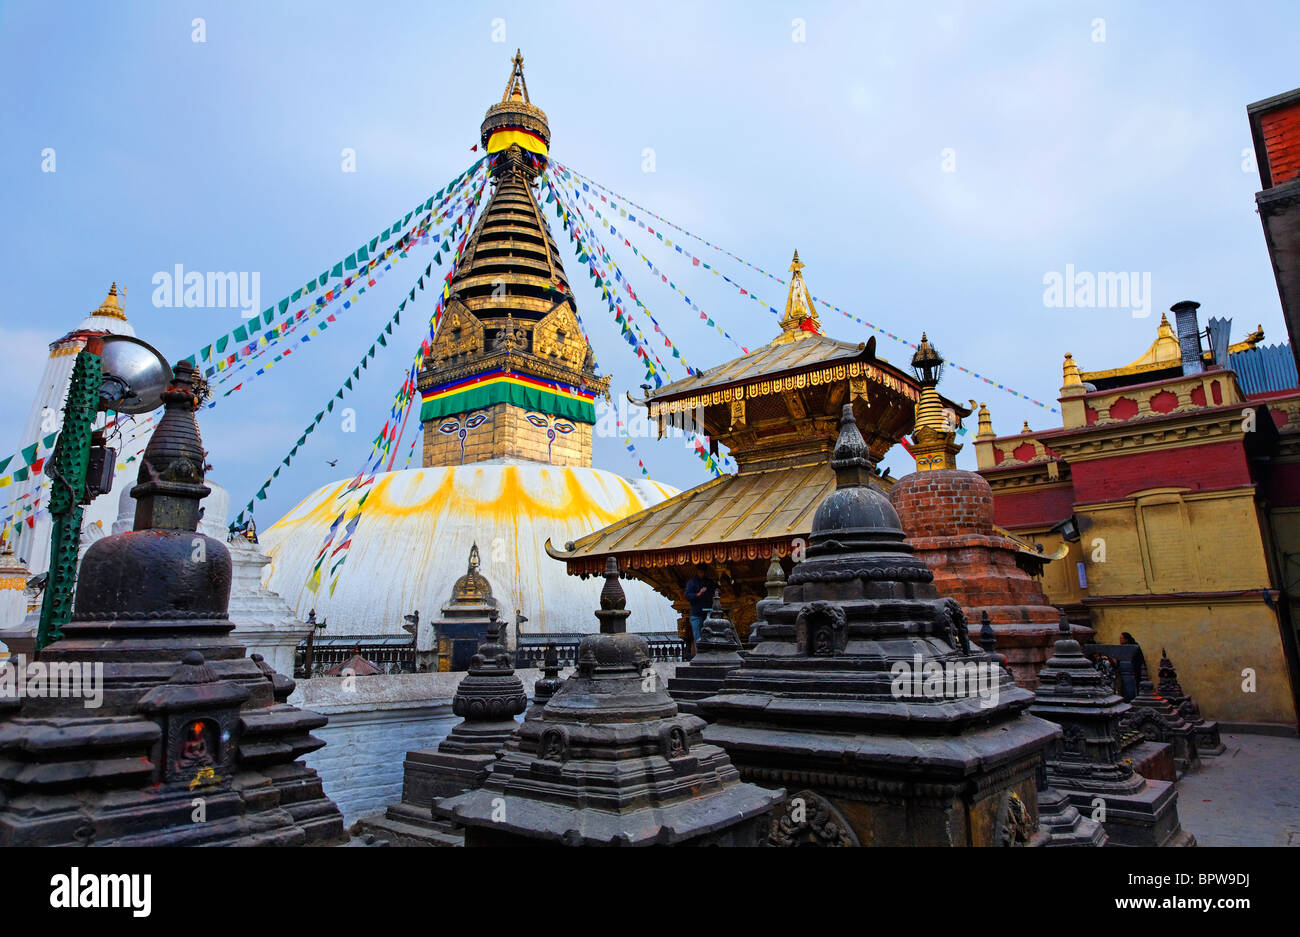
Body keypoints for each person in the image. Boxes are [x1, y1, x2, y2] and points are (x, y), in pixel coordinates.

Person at [683, 563, 717, 652]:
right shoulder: (692, 583)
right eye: (700, 572)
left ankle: (709, 653)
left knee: (710, 634)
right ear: (697, 572)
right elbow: (687, 595)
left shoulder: (709, 582)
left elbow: (716, 590)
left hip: (709, 612)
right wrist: (698, 594)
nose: (702, 574)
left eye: (703, 572)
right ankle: (699, 654)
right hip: (697, 613)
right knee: (698, 636)